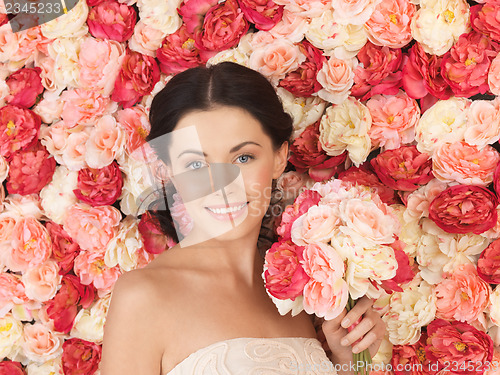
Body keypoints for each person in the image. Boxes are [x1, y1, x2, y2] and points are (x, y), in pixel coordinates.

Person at [100, 61, 386, 375]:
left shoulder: (307, 287)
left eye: (243, 157)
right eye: (196, 164)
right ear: (168, 173)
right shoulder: (143, 298)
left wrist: (348, 364)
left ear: (279, 158)